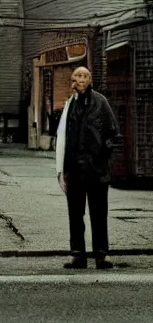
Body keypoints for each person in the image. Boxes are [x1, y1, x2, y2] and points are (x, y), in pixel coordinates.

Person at [55, 66, 120, 270]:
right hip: (75, 169)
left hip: (96, 169)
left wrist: (103, 153)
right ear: (72, 81)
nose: (80, 80)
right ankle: (78, 255)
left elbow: (114, 134)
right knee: (75, 214)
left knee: (99, 214)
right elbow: (63, 138)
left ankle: (102, 255)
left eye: (84, 76)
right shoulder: (70, 105)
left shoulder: (100, 102)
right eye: (77, 76)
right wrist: (63, 170)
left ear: (90, 80)